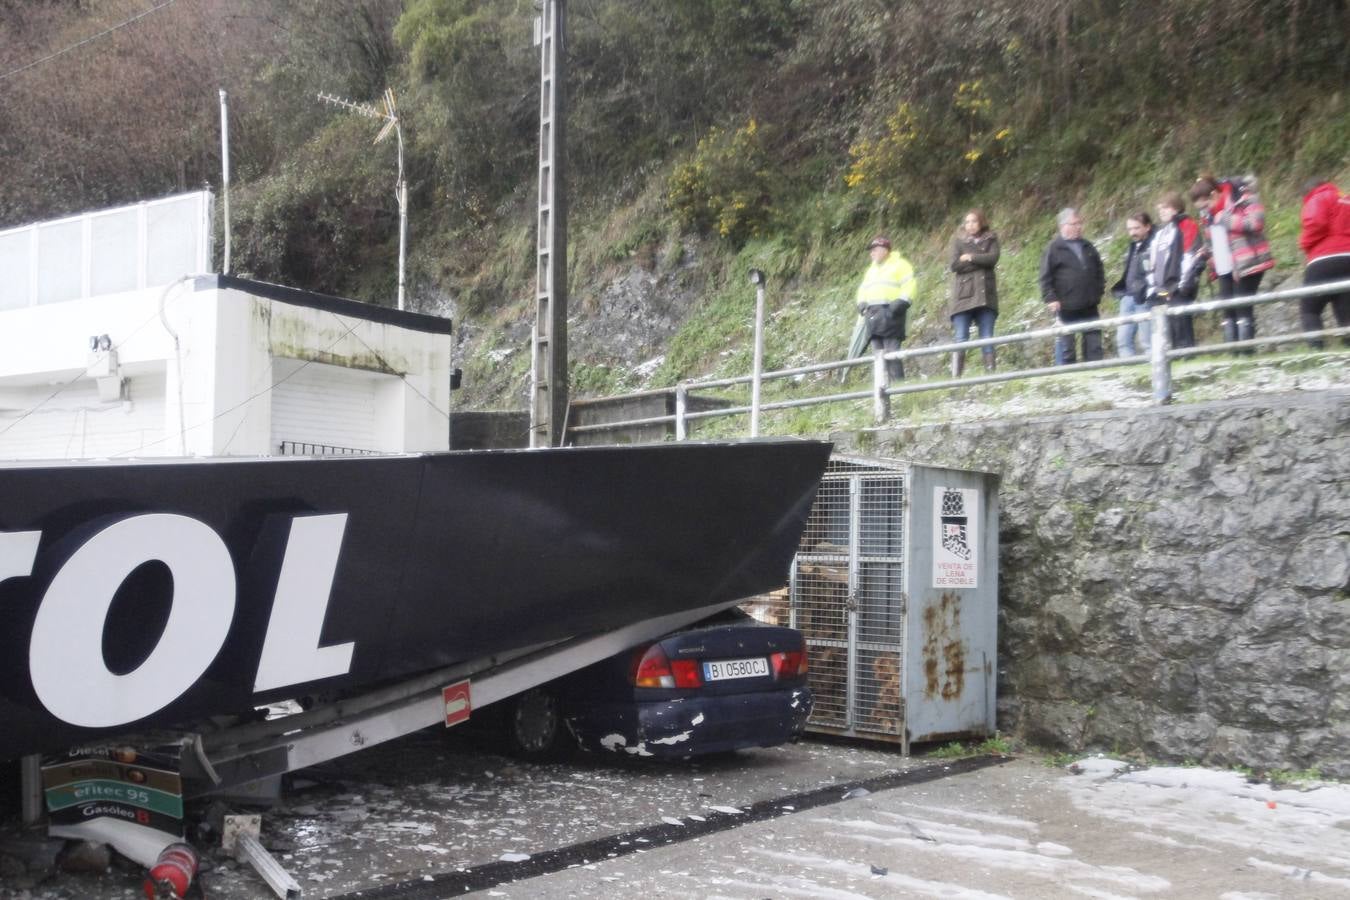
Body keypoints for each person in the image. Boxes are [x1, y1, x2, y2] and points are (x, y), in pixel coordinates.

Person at [1192, 175, 1273, 349]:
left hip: (1247, 260)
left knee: (1242, 305)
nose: (1204, 210)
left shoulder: (1243, 197)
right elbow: (1212, 239)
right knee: (1228, 310)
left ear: (1214, 195)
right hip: (1223, 266)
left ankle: (1246, 352)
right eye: (1201, 208)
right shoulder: (1207, 214)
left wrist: (1225, 219)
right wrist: (1204, 252)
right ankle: (1232, 353)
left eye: (1205, 205)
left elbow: (1256, 223)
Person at [1039, 208, 1105, 364]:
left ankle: (1096, 374)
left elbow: (1099, 269)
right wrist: (1051, 298)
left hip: (1089, 304)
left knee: (1094, 346)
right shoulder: (1053, 248)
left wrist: (1098, 291)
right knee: (1067, 349)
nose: (1079, 227)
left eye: (1079, 223)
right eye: (1074, 224)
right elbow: (1045, 276)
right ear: (1063, 226)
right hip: (1065, 306)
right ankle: (1068, 378)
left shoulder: (1088, 246)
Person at [947, 209, 1000, 375]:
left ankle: (991, 377)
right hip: (963, 296)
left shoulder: (992, 238)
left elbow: (993, 259)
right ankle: (956, 380)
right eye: (967, 222)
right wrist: (981, 260)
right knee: (961, 338)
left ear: (981, 222)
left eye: (974, 221)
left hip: (986, 295)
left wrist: (970, 257)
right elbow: (955, 265)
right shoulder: (958, 241)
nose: (970, 225)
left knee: (987, 338)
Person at [1298, 179, 1350, 348]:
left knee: (1309, 308)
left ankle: (1317, 349)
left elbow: (1316, 224)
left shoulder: (1318, 198)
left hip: (1323, 260)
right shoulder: (1345, 200)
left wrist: (1304, 243)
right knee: (1346, 310)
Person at [855, 235, 915, 382]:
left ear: (884, 250)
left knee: (892, 353)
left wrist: (901, 302)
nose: (872, 253)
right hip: (873, 316)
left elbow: (909, 285)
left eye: (874, 250)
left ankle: (899, 387)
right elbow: (863, 289)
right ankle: (882, 389)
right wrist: (861, 303)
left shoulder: (900, 265)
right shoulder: (871, 270)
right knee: (878, 355)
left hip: (892, 314)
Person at [1149, 192, 1201, 349]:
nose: (1162, 212)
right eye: (1160, 209)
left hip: (1179, 286)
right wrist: (1154, 285)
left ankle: (1188, 363)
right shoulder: (1161, 232)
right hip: (1162, 288)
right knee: (1169, 330)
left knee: (1182, 329)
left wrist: (1181, 285)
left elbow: (1189, 257)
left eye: (1165, 208)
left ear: (1176, 208)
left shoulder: (1187, 226)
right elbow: (1154, 262)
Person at [1110, 211, 1153, 357]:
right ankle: (1129, 373)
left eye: (1136, 228)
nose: (1132, 232)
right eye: (1130, 229)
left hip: (1143, 297)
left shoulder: (1154, 245)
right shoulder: (1133, 246)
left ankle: (1154, 372)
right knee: (1123, 340)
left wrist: (1145, 290)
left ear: (1147, 227)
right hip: (1127, 296)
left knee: (1147, 341)